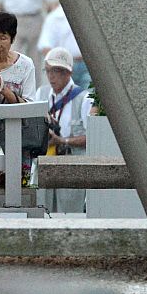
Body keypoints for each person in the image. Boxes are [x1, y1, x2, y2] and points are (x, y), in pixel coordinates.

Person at [36, 47, 93, 213]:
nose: (51, 76)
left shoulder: (84, 98)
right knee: (42, 212)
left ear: (68, 72)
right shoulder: (41, 93)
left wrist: (62, 141)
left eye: (57, 71)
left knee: (71, 214)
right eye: (48, 71)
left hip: (72, 167)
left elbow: (91, 138)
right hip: (46, 164)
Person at [37, 5, 91, 89]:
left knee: (88, 97)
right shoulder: (54, 17)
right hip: (64, 66)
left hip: (87, 64)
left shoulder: (89, 14)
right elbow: (45, 46)